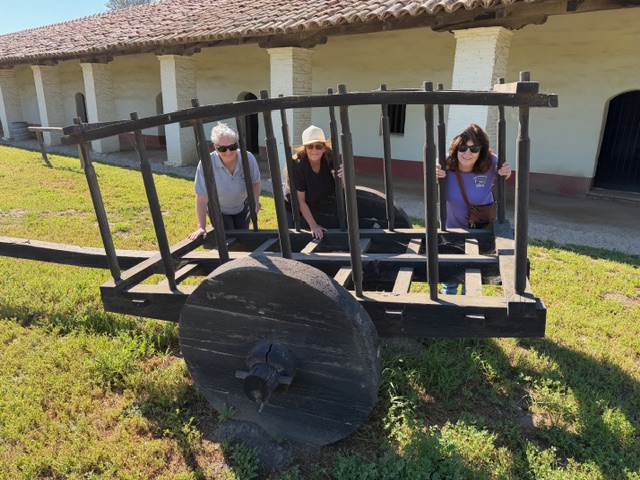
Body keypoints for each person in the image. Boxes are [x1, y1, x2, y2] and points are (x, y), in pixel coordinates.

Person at [436, 124, 511, 294]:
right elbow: (431, 177)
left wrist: (506, 172)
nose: (467, 153)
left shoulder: (491, 161)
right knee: (450, 277)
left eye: (474, 149)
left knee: (472, 274)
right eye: (463, 148)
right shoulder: (445, 162)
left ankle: (468, 304)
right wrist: (434, 174)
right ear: (456, 149)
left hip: (480, 228)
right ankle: (450, 306)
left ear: (481, 150)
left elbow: (505, 174)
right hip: (452, 227)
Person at [188, 123, 261, 240]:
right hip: (219, 209)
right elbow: (201, 198)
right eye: (222, 148)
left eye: (232, 147)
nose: (228, 152)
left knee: (243, 238)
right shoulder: (206, 163)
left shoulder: (248, 158)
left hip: (241, 206)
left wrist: (255, 200)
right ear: (215, 147)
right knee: (229, 239)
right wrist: (201, 227)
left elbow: (255, 182)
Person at [285, 125, 342, 239]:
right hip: (293, 208)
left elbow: (342, 189)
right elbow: (300, 201)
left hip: (316, 203)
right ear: (305, 149)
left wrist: (343, 176)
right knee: (295, 239)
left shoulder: (330, 159)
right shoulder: (298, 166)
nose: (314, 150)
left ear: (324, 148)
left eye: (319, 146)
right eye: (310, 146)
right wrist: (314, 226)